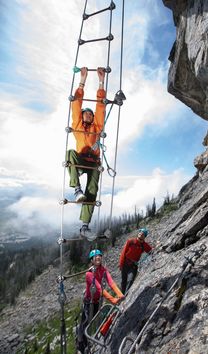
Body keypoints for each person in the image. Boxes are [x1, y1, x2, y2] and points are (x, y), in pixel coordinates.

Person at [66, 67, 106, 237]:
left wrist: (101, 82)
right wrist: (82, 80)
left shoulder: (97, 127)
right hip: (81, 158)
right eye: (86, 113)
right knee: (70, 154)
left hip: (94, 162)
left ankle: (84, 226)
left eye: (90, 114)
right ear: (82, 117)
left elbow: (100, 107)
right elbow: (76, 104)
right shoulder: (77, 126)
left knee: (93, 190)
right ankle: (76, 189)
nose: (89, 115)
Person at [77, 249, 124, 354]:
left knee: (96, 321)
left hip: (98, 301)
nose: (98, 258)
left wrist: (120, 294)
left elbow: (111, 283)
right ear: (91, 260)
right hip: (89, 302)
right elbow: (99, 289)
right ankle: (81, 344)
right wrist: (113, 300)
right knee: (86, 324)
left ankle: (93, 341)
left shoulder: (104, 270)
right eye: (95, 257)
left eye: (99, 256)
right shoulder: (89, 274)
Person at [119, 228, 152, 294]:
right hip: (125, 263)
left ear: (144, 236)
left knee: (130, 280)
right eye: (140, 233)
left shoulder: (144, 245)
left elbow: (150, 250)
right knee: (123, 281)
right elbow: (123, 253)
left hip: (133, 266)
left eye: (142, 234)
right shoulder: (131, 241)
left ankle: (126, 295)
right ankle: (122, 296)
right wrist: (121, 264)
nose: (140, 234)